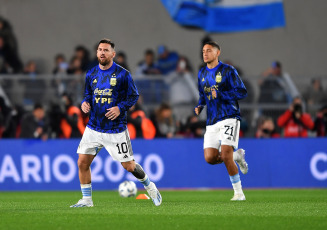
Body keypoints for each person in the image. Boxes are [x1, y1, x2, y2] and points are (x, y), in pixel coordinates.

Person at [70, 38, 162, 208]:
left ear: (113, 54)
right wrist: (85, 103)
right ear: (96, 53)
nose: (102, 52)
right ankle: (87, 200)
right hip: (93, 127)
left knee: (129, 166)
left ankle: (151, 187)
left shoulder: (123, 74)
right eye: (99, 49)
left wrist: (120, 108)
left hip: (115, 129)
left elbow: (133, 96)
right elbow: (88, 94)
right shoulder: (91, 73)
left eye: (106, 50)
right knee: (82, 162)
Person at [194, 41, 248, 201]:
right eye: (203, 51)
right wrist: (200, 105)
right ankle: (237, 156)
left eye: (209, 50)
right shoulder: (202, 73)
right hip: (212, 121)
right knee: (209, 158)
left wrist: (222, 94)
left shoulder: (228, 70)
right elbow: (203, 95)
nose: (205, 53)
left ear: (218, 53)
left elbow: (242, 92)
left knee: (225, 155)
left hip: (229, 117)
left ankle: (239, 193)